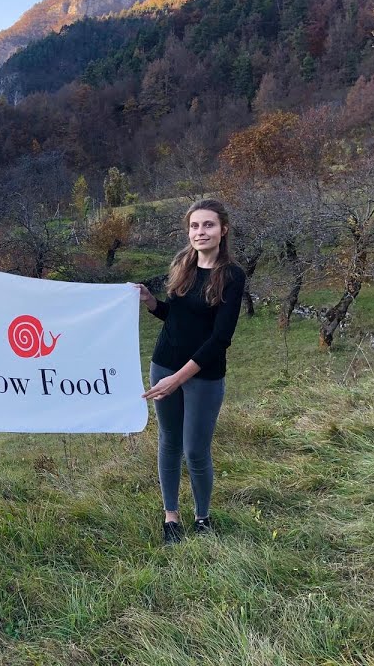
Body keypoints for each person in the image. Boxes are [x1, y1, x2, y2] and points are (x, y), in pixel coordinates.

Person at [135, 199, 245, 544]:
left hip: (203, 374)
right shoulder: (182, 264)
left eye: (208, 225)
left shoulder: (232, 275)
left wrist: (177, 379)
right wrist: (151, 303)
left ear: (223, 229)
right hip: (163, 364)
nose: (201, 232)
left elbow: (220, 338)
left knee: (196, 450)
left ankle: (202, 518)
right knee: (169, 442)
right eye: (195, 226)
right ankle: (171, 517)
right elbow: (177, 317)